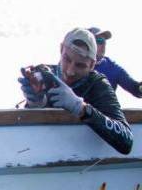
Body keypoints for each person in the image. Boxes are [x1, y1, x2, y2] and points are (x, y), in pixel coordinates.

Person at [19, 27, 133, 155]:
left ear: (92, 65)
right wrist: (34, 103)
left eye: (80, 65)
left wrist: (80, 108)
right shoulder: (44, 75)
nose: (70, 71)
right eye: (67, 59)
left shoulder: (97, 85)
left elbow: (127, 142)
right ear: (61, 49)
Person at [89, 27, 142, 98]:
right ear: (87, 43)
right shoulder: (72, 65)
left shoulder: (113, 68)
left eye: (104, 41)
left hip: (103, 108)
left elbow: (135, 88)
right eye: (99, 40)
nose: (104, 45)